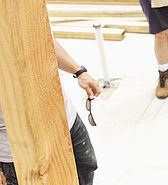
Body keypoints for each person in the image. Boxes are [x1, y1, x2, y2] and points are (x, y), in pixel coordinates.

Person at [0, 39, 101, 185]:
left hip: (64, 121)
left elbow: (44, 39)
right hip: (17, 147)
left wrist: (79, 72)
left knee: (84, 174)